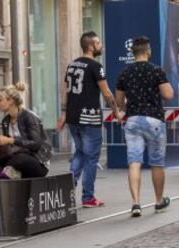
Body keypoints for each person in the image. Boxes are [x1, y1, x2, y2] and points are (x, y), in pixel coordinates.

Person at [56, 31, 121, 208]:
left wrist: (63, 114)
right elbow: (106, 92)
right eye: (98, 43)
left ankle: (67, 192)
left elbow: (65, 91)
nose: (101, 46)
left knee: (80, 153)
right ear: (91, 46)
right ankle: (88, 197)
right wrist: (116, 110)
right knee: (91, 158)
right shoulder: (95, 66)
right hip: (90, 118)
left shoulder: (72, 65)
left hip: (73, 117)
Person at [115, 36, 174, 217]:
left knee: (134, 161)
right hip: (154, 120)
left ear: (132, 53)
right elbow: (169, 95)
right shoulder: (157, 71)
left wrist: (130, 108)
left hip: (133, 120)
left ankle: (136, 204)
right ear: (148, 51)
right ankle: (158, 201)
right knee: (157, 163)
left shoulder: (124, 73)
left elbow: (119, 101)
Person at [0, 82, 49, 179]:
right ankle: (4, 174)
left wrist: (11, 140)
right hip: (14, 159)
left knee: (18, 159)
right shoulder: (5, 121)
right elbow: (9, 149)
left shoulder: (29, 117)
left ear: (11, 101)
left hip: (36, 161)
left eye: (0, 100)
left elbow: (36, 144)